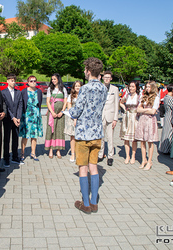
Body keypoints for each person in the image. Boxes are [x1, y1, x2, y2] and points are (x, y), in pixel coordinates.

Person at [69, 57, 107, 214]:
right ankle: (94, 202)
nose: (84, 72)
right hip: (97, 133)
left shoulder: (85, 89)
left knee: (83, 168)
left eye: (85, 69)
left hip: (84, 134)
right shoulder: (104, 88)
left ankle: (85, 204)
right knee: (94, 166)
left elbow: (76, 112)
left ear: (89, 71)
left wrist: (70, 111)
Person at [135, 81, 159, 170]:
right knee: (142, 140)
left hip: (150, 120)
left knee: (150, 141)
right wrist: (146, 110)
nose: (147, 89)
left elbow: (153, 111)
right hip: (143, 120)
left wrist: (144, 110)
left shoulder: (155, 97)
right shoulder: (144, 97)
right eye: (146, 87)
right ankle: (143, 159)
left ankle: (149, 161)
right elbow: (138, 109)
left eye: (149, 87)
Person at [20, 75, 43, 161]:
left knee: (34, 136)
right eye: (31, 81)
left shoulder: (39, 91)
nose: (33, 82)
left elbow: (39, 103)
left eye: (34, 81)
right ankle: (22, 153)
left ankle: (33, 153)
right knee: (25, 136)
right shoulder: (24, 91)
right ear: (28, 82)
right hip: (26, 116)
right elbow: (22, 103)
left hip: (35, 116)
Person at [98, 71, 119, 166]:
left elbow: (116, 104)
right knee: (101, 137)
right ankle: (100, 154)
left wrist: (115, 118)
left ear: (111, 78)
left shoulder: (115, 89)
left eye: (108, 77)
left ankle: (110, 156)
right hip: (101, 116)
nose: (106, 79)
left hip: (110, 116)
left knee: (110, 137)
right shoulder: (100, 87)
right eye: (105, 77)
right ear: (102, 78)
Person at [2, 73, 23, 167]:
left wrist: (18, 117)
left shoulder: (18, 92)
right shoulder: (3, 93)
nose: (13, 82)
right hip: (8, 119)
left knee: (15, 138)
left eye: (14, 80)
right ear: (7, 81)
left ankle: (15, 156)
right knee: (6, 139)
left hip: (16, 119)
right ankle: (6, 158)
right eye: (11, 80)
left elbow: (20, 105)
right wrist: (13, 117)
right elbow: (6, 106)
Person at [45, 73, 67, 159]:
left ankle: (58, 150)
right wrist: (52, 112)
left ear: (58, 79)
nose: (53, 81)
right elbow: (47, 101)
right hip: (52, 113)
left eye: (55, 79)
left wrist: (62, 111)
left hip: (60, 114)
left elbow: (65, 101)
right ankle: (50, 149)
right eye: (52, 79)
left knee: (59, 130)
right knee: (51, 131)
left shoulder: (63, 89)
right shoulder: (50, 89)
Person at [119, 80, 140, 164]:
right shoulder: (127, 96)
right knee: (126, 138)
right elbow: (120, 102)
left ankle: (133, 156)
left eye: (133, 86)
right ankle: (127, 155)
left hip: (135, 117)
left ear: (136, 87)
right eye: (130, 86)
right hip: (127, 117)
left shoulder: (138, 96)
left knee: (134, 139)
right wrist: (124, 109)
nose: (131, 88)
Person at [64, 80, 83, 162]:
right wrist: (75, 118)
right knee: (73, 137)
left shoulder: (84, 95)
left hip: (82, 118)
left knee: (81, 137)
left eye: (79, 86)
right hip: (72, 118)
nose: (77, 87)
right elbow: (69, 108)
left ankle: (81, 153)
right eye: (76, 86)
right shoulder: (71, 96)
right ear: (74, 87)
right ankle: (73, 154)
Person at [158, 84, 173, 154]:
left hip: (167, 115)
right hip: (170, 116)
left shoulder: (166, 97)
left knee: (166, 131)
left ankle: (163, 148)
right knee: (169, 133)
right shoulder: (170, 98)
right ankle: (167, 149)